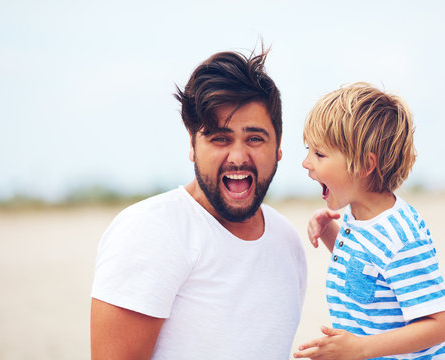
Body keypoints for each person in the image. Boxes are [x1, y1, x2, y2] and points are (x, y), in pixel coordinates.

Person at [90, 49, 307, 360]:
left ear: (279, 148)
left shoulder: (287, 240)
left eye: (255, 139)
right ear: (192, 145)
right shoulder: (151, 230)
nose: (237, 156)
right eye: (220, 138)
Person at [294, 83, 445, 360]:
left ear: (366, 166)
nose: (306, 162)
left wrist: (359, 349)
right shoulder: (357, 217)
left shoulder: (401, 237)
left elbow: (440, 325)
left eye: (319, 154)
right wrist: (331, 232)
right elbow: (366, 273)